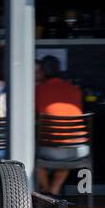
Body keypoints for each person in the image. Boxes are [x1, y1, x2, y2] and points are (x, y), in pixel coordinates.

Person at [34, 56, 88, 196]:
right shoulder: (75, 90)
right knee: (67, 150)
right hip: (77, 150)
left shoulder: (38, 90)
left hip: (49, 150)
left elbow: (32, 115)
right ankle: (54, 191)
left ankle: (46, 191)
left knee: (31, 153)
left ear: (43, 72)